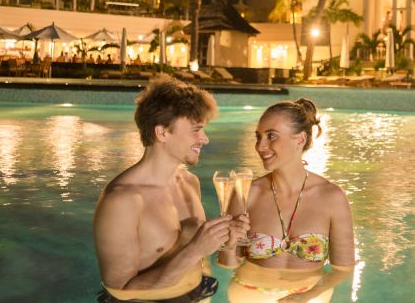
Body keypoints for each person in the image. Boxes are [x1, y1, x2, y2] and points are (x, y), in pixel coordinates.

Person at [94, 76, 249, 302]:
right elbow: (121, 290)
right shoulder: (123, 200)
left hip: (198, 294)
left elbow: (199, 257)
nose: (204, 139)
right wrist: (196, 249)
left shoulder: (188, 182)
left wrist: (228, 239)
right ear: (162, 132)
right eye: (196, 130)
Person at [218, 99, 355, 302]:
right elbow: (228, 264)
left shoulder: (332, 197)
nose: (260, 146)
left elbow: (343, 269)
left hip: (310, 295)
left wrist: (308, 296)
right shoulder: (247, 193)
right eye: (258, 137)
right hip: (250, 292)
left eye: (271, 136)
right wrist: (230, 243)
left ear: (300, 139)